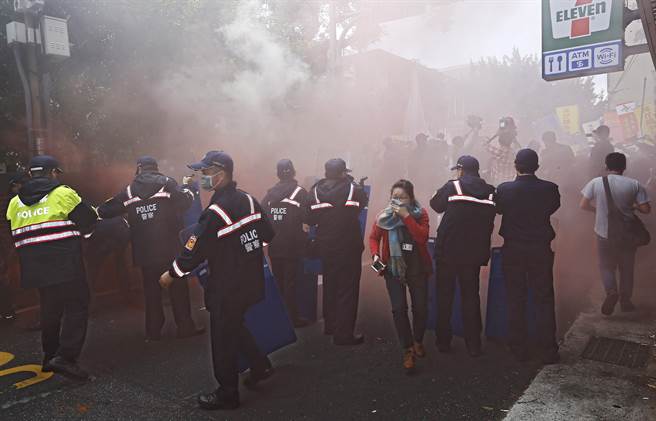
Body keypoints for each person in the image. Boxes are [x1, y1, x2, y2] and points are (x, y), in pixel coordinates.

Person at [159, 151, 274, 411]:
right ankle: (260, 365)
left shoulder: (216, 211)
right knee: (234, 324)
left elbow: (194, 250)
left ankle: (227, 393)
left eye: (207, 173)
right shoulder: (250, 200)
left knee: (223, 340)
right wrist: (244, 251)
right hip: (252, 281)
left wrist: (172, 273)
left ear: (221, 175)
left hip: (227, 287)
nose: (203, 178)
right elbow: (268, 235)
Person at [5, 155, 97, 379]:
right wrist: (85, 234)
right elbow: (88, 219)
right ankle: (66, 358)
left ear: (29, 174)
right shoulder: (63, 193)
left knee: (50, 308)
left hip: (35, 267)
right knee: (77, 305)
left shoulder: (15, 203)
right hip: (65, 262)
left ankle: (49, 357)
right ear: (52, 172)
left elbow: (14, 232)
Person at [98, 156, 203, 341]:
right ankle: (185, 327)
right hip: (170, 249)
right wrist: (186, 188)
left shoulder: (129, 191)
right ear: (156, 168)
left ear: (139, 169)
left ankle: (153, 332)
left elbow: (106, 211)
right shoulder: (168, 183)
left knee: (152, 292)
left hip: (145, 253)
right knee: (178, 288)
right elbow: (185, 203)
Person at [496, 149, 560, 364]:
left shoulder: (504, 189)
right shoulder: (550, 189)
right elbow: (553, 207)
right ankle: (549, 349)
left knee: (516, 297)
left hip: (513, 249)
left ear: (516, 165)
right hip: (540, 249)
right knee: (543, 298)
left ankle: (518, 347)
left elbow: (499, 209)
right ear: (537, 166)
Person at [430, 156, 496, 357]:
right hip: (473, 253)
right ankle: (473, 344)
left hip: (448, 251)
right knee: (470, 297)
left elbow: (435, 205)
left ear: (461, 170)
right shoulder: (491, 191)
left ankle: (443, 342)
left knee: (444, 296)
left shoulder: (453, 186)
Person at [369, 179, 431, 373]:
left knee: (420, 308)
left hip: (417, 267)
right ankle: (407, 349)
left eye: (402, 197)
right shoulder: (384, 216)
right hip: (392, 269)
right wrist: (376, 256)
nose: (397, 201)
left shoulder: (420, 214)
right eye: (394, 197)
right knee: (398, 309)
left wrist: (406, 217)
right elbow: (373, 238)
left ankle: (418, 340)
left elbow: (421, 237)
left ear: (410, 198)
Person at [580, 152, 651, 315]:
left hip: (603, 234)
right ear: (624, 167)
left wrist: (597, 211)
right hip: (627, 235)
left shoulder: (596, 183)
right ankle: (625, 302)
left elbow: (583, 205)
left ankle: (611, 291)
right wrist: (632, 206)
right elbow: (646, 209)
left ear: (606, 166)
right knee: (627, 268)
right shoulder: (634, 184)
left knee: (606, 266)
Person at [307, 158, 368, 345]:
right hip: (348, 245)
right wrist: (356, 183)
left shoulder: (315, 190)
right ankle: (343, 335)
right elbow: (362, 202)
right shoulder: (352, 189)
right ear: (343, 173)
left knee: (330, 283)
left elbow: (309, 218)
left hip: (325, 245)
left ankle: (331, 325)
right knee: (347, 289)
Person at [262, 159, 311, 328]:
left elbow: (263, 220)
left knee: (279, 283)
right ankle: (293, 318)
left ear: (277, 174)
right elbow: (307, 220)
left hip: (275, 246)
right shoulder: (301, 193)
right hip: (293, 246)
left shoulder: (269, 196)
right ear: (294, 172)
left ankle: (280, 318)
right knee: (291, 284)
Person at [486, 116, 520, 186]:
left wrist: (496, 134)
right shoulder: (514, 152)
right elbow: (520, 148)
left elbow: (484, 145)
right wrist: (513, 137)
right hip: (511, 181)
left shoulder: (498, 151)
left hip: (498, 182)